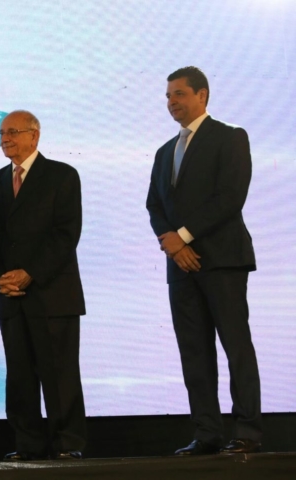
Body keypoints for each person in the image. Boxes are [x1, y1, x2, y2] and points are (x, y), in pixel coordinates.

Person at [146, 66, 262, 455]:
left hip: (222, 261)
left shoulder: (230, 137)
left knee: (236, 347)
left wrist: (183, 237)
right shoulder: (165, 151)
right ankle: (207, 432)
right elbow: (154, 205)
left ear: (202, 95)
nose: (171, 102)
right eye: (168, 96)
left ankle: (246, 431)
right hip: (180, 267)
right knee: (194, 352)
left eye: (179, 94)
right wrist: (173, 246)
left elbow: (230, 196)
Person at [0, 110, 87, 461]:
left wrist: (30, 273)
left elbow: (66, 234)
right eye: (2, 133)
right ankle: (28, 445)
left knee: (59, 374)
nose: (5, 139)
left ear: (34, 136)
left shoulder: (61, 175)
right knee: (19, 376)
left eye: (13, 132)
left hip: (52, 293)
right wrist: (0, 280)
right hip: (10, 296)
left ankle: (67, 444)